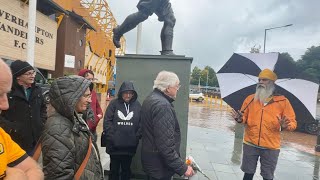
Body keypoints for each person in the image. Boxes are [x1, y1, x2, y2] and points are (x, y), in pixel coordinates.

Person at [231, 69, 297, 180]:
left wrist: (285, 126)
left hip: (271, 147)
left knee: (267, 176)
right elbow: (244, 118)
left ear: (272, 82)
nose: (260, 82)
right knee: (247, 174)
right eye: (259, 79)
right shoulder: (250, 99)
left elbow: (292, 122)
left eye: (264, 80)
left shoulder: (283, 101)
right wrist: (239, 119)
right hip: (250, 143)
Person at [40, 76, 103, 180]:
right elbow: (59, 174)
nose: (90, 100)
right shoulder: (58, 127)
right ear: (72, 97)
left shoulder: (74, 118)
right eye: (86, 96)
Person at [140, 71, 194, 180]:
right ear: (168, 88)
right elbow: (165, 145)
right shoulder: (163, 106)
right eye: (176, 85)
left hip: (151, 161)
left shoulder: (150, 99)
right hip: (160, 166)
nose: (178, 88)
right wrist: (182, 168)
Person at [0, 58, 44, 180]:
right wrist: (13, 128)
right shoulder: (11, 93)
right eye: (28, 73)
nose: (5, 105)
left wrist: (41, 122)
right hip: (17, 138)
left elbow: (33, 168)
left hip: (33, 138)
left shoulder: (37, 90)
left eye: (33, 72)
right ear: (18, 77)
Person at [103, 81, 141, 180]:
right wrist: (113, 138)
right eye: (125, 92)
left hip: (129, 147)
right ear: (121, 93)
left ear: (133, 94)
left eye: (130, 93)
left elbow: (141, 123)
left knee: (126, 170)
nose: (128, 95)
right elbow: (107, 121)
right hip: (114, 147)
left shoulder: (137, 105)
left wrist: (135, 138)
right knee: (114, 171)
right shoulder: (113, 104)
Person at [78, 69, 103, 142]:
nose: (91, 81)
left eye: (92, 79)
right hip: (82, 129)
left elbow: (97, 106)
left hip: (93, 130)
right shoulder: (77, 93)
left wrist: (99, 116)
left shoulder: (93, 92)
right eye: (89, 79)